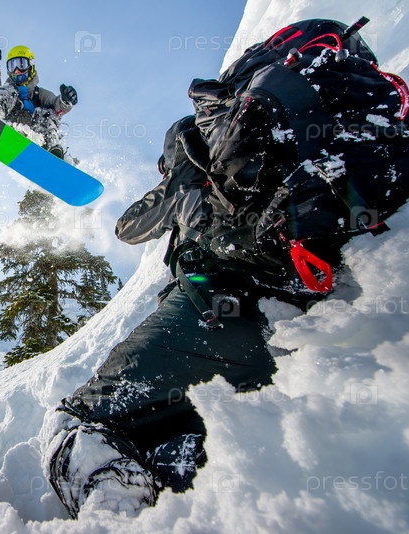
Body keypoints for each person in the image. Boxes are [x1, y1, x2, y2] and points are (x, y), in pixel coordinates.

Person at [46, 115, 295, 518]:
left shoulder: (187, 172)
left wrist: (170, 181)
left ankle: (117, 517)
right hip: (280, 327)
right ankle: (182, 500)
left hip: (211, 312)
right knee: (181, 433)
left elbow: (128, 228)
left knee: (78, 427)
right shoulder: (261, 164)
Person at [0, 45, 78, 159]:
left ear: (30, 67)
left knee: (47, 111)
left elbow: (57, 107)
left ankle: (52, 149)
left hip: (38, 139)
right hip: (10, 129)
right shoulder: (9, 91)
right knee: (10, 89)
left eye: (21, 64)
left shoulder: (40, 94)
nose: (16, 70)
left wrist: (65, 101)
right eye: (12, 66)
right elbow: (4, 93)